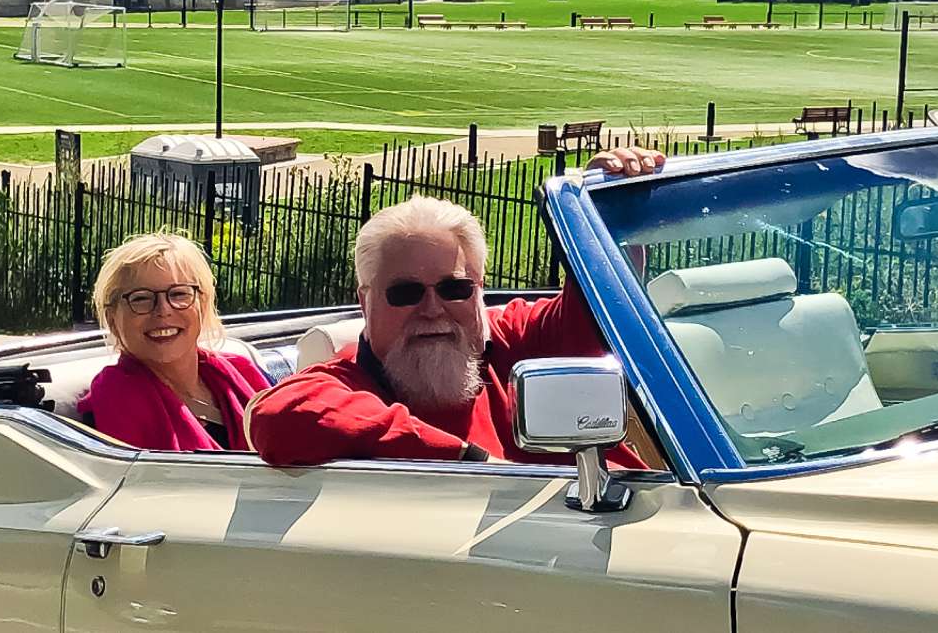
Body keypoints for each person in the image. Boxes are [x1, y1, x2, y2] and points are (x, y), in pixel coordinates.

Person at [248, 147, 666, 466]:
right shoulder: (344, 381)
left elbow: (597, 315)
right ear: (365, 300)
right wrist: (468, 462)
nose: (433, 309)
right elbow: (278, 416)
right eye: (406, 293)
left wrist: (609, 208)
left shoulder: (509, 340)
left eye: (454, 288)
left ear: (479, 291)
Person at [77, 233, 270, 451]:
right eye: (141, 298)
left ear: (203, 304)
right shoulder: (112, 401)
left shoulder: (243, 372)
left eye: (178, 294)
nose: (163, 310)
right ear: (112, 318)